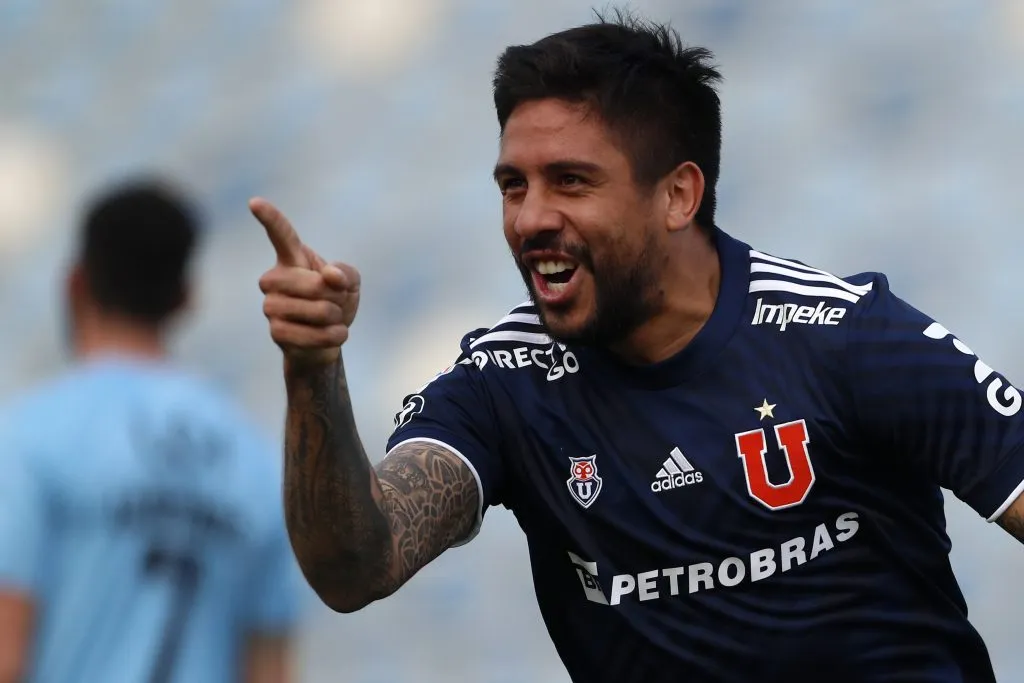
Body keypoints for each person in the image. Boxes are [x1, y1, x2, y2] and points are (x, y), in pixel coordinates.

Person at [251, 11, 1024, 683]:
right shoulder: (504, 382)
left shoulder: (851, 338)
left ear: (678, 195)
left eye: (571, 181)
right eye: (513, 185)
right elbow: (356, 564)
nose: (529, 218)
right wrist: (313, 370)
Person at [0, 179, 303, 683]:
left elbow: (7, 651)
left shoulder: (28, 436)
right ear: (186, 297)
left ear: (75, 282)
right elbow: (270, 670)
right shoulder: (256, 459)